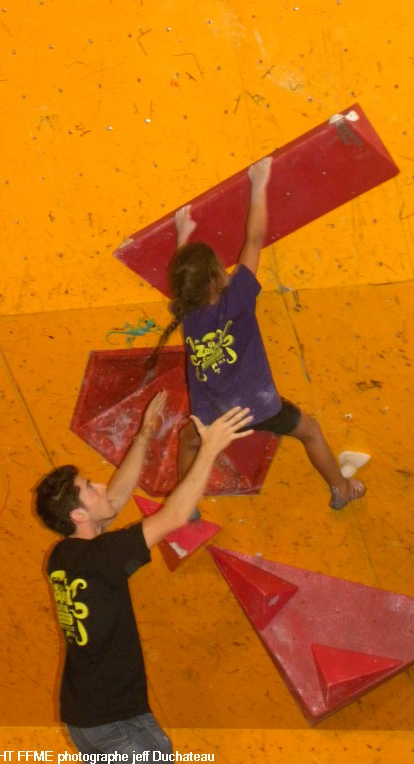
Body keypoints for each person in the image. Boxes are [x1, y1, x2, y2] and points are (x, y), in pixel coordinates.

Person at [35, 391, 253, 764]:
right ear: (78, 517)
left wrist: (146, 431)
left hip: (88, 719)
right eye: (90, 488)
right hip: (114, 724)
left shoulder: (64, 555)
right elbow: (175, 516)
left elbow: (116, 498)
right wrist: (210, 449)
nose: (101, 487)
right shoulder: (102, 557)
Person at [151, 156, 366, 511]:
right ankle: (341, 489)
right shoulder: (237, 298)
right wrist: (259, 181)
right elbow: (253, 238)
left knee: (189, 441)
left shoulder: (187, 312)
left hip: (213, 414)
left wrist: (183, 234)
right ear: (219, 278)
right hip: (256, 407)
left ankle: (184, 507)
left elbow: (188, 280)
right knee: (310, 431)